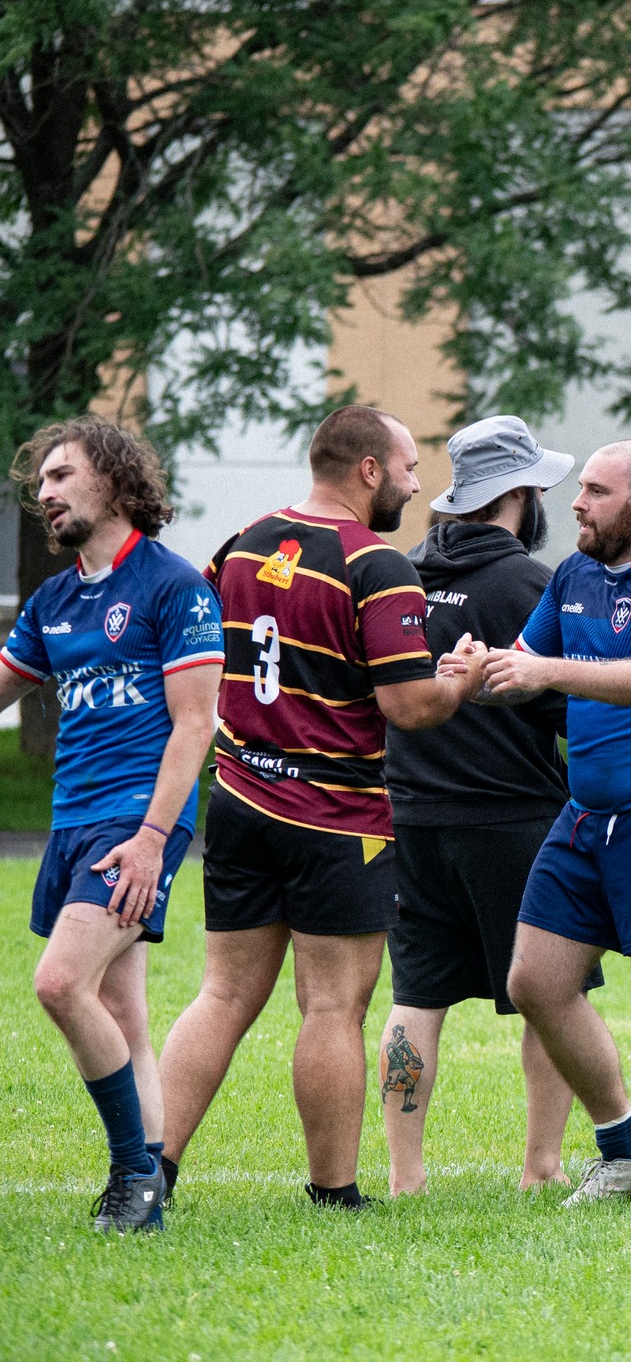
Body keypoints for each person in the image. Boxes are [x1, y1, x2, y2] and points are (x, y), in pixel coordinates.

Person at [158, 406, 475, 1211]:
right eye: (406, 467)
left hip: (236, 797)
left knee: (221, 993)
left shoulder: (242, 543)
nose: (414, 482)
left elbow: (195, 648)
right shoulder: (378, 565)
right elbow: (409, 705)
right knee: (333, 1004)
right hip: (335, 817)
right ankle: (334, 1191)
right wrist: (462, 678)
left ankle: (147, 1168)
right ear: (368, 469)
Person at [453, 441, 631, 1208]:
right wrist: (473, 673)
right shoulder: (576, 574)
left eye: (596, 490)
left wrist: (546, 671)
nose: (576, 502)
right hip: (588, 815)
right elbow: (520, 668)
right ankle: (628, 1148)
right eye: (580, 489)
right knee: (534, 982)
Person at [2, 419, 222, 1232]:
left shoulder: (174, 587)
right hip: (71, 822)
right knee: (122, 1011)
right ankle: (150, 1186)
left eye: (63, 475)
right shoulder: (54, 600)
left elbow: (195, 725)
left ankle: (134, 1174)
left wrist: (155, 839)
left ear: (118, 483)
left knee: (61, 983)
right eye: (41, 483)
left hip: (135, 825)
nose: (46, 494)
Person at [374, 415, 587, 1194]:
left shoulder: (400, 572)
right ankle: (542, 1166)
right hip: (516, 820)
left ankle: (405, 1176)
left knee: (415, 995)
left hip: (412, 819)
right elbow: (570, 702)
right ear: (520, 497)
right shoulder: (531, 584)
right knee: (550, 991)